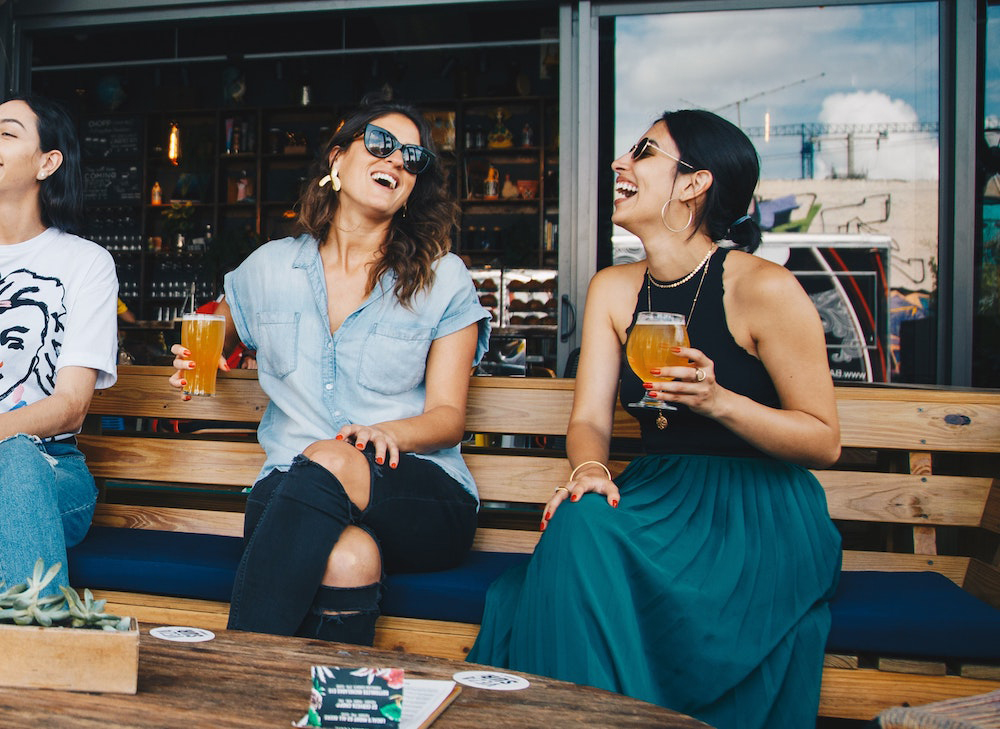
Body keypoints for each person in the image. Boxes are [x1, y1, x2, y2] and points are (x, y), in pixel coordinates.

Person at [467, 109, 842, 728]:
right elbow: (589, 418)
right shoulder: (614, 289)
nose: (620, 162)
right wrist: (589, 469)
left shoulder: (764, 288)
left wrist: (720, 401)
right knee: (581, 520)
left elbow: (823, 440)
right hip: (659, 492)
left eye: (643, 152)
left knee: (573, 549)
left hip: (756, 513)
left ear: (694, 184)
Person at [170, 96, 490, 645]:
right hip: (290, 492)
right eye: (382, 145)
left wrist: (385, 433)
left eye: (412, 158)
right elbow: (217, 328)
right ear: (337, 161)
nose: (397, 161)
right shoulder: (269, 267)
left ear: (414, 187)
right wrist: (198, 354)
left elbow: (447, 419)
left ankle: (234, 669)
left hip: (414, 491)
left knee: (333, 456)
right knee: (348, 558)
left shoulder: (444, 278)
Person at [0, 94, 119, 596]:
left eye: (6, 133)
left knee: (15, 459)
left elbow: (70, 408)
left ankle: (39, 658)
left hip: (49, 474)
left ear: (47, 162)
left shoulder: (85, 263)